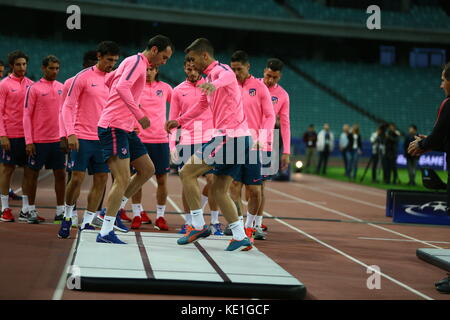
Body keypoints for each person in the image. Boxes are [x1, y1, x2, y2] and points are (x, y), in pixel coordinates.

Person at [165, 38, 252, 251]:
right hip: (238, 138)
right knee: (220, 190)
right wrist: (179, 121)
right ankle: (241, 237)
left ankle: (197, 225)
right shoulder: (209, 78)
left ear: (205, 55)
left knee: (187, 172)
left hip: (228, 137)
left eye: (194, 59)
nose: (192, 64)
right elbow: (201, 105)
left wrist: (213, 84)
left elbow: (227, 77)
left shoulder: (221, 72)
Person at [96, 34, 173, 244]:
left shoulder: (133, 62)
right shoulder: (137, 62)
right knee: (121, 179)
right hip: (113, 126)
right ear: (155, 50)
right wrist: (139, 115)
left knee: (148, 169)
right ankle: (105, 231)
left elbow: (110, 80)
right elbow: (120, 87)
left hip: (126, 128)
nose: (165, 62)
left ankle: (111, 211)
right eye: (164, 57)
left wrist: (130, 116)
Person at [57, 42, 120, 239]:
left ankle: (87, 221)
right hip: (82, 136)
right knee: (76, 178)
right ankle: (68, 216)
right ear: (99, 56)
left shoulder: (115, 79)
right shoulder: (83, 77)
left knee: (101, 179)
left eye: (115, 61)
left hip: (104, 138)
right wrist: (70, 133)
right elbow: (67, 107)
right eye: (109, 60)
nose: (112, 64)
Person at [408, 62, 450, 294]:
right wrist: (431, 144)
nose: (440, 84)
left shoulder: (449, 103)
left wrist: (423, 144)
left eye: (443, 79)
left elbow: (438, 135)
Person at [168, 57, 222, 235]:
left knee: (213, 181)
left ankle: (214, 221)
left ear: (200, 68)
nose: (192, 72)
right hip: (187, 141)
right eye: (188, 69)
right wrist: (172, 146)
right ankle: (190, 221)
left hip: (209, 139)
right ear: (184, 69)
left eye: (194, 69)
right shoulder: (177, 91)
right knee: (187, 182)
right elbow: (173, 119)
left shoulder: (210, 86)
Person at [229, 50, 275, 242]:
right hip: (232, 142)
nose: (236, 73)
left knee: (255, 190)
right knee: (233, 185)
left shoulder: (260, 87)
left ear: (248, 67)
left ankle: (250, 226)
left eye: (239, 69)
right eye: (233, 69)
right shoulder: (229, 85)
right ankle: (238, 225)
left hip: (254, 145)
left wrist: (263, 137)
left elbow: (270, 115)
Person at [22, 55, 66, 224]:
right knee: (32, 175)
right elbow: (26, 115)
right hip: (39, 141)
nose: (54, 71)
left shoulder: (62, 87)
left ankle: (60, 211)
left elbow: (65, 114)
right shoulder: (33, 89)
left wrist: (65, 136)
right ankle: (30, 210)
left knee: (60, 175)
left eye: (57, 68)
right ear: (43, 68)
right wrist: (29, 141)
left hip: (57, 141)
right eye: (51, 68)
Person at [129, 65, 172, 230]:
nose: (148, 72)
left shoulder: (165, 88)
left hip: (161, 139)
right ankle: (136, 214)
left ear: (157, 71)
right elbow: (127, 107)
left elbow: (179, 104)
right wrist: (132, 125)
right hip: (140, 139)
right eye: (146, 69)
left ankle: (160, 217)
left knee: (162, 179)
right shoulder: (135, 88)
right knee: (138, 178)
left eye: (151, 69)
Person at [257, 58, 291, 233]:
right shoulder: (252, 85)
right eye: (268, 75)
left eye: (275, 78)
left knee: (260, 186)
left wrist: (286, 151)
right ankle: (238, 221)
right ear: (264, 71)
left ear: (280, 77)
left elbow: (285, 124)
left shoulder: (283, 95)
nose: (270, 80)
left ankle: (256, 223)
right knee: (236, 185)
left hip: (267, 144)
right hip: (245, 140)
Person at [0, 51, 34, 223]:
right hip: (10, 135)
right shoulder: (4, 85)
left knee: (29, 172)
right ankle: (4, 208)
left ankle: (26, 210)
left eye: (24, 64)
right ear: (12, 66)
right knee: (7, 170)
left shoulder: (31, 85)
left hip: (28, 136)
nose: (22, 68)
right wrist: (2, 135)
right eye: (19, 64)